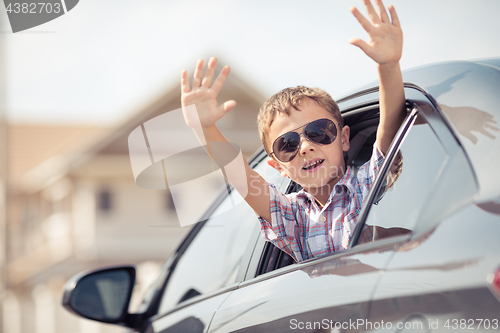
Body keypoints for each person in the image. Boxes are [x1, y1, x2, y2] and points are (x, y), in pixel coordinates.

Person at [180, 0, 406, 262]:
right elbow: (240, 176)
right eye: (287, 144)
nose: (306, 147)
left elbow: (390, 127)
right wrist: (204, 127)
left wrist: (388, 66)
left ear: (344, 139)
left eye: (319, 131)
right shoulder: (294, 218)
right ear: (278, 167)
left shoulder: (365, 184)